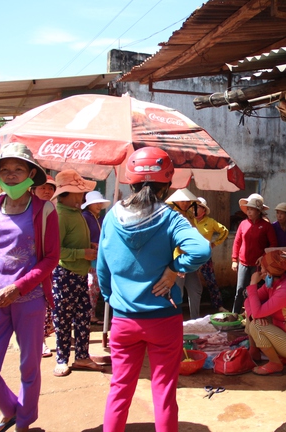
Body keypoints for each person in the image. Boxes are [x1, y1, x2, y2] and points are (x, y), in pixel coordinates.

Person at [97, 147, 211, 432]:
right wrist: (175, 269)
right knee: (164, 393)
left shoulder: (111, 217)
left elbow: (102, 269)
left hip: (123, 320)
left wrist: (114, 299)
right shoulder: (171, 218)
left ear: (130, 181)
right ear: (167, 184)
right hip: (163, 320)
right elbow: (201, 249)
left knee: (119, 391)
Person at [0, 142, 60, 432]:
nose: (10, 175)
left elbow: (50, 258)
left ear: (31, 173)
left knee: (29, 368)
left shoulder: (45, 211)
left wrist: (18, 288)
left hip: (30, 300)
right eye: (4, 170)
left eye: (17, 169)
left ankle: (24, 422)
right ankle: (10, 410)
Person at [51, 169, 103, 377]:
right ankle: (62, 359)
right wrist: (83, 253)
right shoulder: (60, 215)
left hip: (79, 275)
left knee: (82, 317)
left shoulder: (76, 214)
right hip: (65, 275)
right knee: (62, 319)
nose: (83, 196)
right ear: (69, 193)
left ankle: (82, 356)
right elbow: (55, 252)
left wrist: (87, 247)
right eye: (79, 192)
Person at [244, 250, 286, 375]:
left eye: (262, 269)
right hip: (283, 334)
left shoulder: (285, 291)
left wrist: (253, 284)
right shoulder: (273, 284)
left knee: (256, 325)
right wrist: (254, 315)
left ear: (269, 273)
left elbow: (257, 310)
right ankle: (254, 351)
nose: (259, 272)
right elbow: (248, 301)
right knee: (252, 314)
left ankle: (275, 363)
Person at [232, 193, 278, 314]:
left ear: (259, 211)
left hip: (258, 265)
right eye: (248, 209)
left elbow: (273, 244)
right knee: (240, 289)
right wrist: (234, 260)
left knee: (255, 290)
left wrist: (263, 257)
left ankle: (252, 315)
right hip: (243, 263)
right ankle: (235, 315)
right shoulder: (243, 224)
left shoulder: (266, 226)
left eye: (252, 209)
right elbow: (237, 242)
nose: (249, 211)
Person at [166, 188, 204, 319]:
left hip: (189, 258)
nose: (186, 203)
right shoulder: (174, 215)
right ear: (176, 201)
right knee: (178, 291)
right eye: (183, 201)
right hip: (179, 260)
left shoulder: (187, 215)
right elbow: (176, 241)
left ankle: (195, 319)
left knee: (196, 289)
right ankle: (175, 320)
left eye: (188, 201)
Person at [31, 174, 58, 358]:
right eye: (43, 188)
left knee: (44, 306)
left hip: (49, 267)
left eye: (51, 188)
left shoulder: (52, 210)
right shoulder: (28, 210)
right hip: (31, 267)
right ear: (33, 190)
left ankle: (40, 339)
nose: (47, 191)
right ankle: (37, 341)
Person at [194, 197, 229, 313]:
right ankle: (188, 307)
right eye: (194, 206)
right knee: (186, 282)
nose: (195, 209)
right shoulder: (189, 220)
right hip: (190, 256)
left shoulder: (210, 222)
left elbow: (224, 231)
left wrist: (215, 244)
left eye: (198, 207)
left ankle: (218, 306)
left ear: (203, 210)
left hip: (205, 256)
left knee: (211, 281)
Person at [82, 191, 111, 325]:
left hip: (100, 256)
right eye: (96, 203)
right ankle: (89, 314)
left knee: (96, 285)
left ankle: (91, 313)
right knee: (91, 285)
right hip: (89, 257)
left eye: (100, 202)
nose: (99, 205)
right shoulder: (85, 217)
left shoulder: (101, 218)